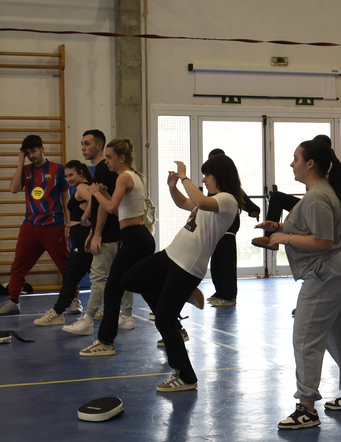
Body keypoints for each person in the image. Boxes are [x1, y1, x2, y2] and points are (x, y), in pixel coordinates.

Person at [257, 140, 341, 429]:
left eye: (296, 159)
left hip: (328, 272)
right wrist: (279, 227)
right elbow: (314, 230)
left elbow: (323, 241)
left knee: (305, 337)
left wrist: (286, 238)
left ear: (310, 164)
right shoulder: (320, 193)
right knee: (339, 334)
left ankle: (306, 408)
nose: (292, 164)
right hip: (338, 270)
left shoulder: (317, 196)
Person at [123, 155, 245, 391]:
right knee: (130, 279)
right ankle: (184, 293)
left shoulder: (227, 200)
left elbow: (199, 201)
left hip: (188, 267)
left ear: (219, 176)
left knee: (164, 320)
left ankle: (186, 377)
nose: (204, 180)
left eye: (207, 175)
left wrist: (184, 177)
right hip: (171, 254)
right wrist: (173, 187)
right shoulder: (211, 201)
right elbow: (184, 203)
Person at [76, 139, 156, 356]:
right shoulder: (134, 176)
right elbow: (119, 207)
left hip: (134, 238)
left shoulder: (123, 177)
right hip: (138, 237)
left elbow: (110, 208)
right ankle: (175, 329)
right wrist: (104, 193)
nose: (107, 161)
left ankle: (105, 341)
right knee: (143, 285)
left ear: (121, 158)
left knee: (113, 288)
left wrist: (95, 193)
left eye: (110, 157)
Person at [64, 130, 134, 334]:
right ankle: (125, 315)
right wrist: (90, 225)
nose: (83, 148)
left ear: (99, 145)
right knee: (119, 276)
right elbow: (99, 203)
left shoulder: (104, 170)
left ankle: (88, 320)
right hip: (114, 231)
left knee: (98, 277)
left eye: (87, 143)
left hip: (111, 233)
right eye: (82, 143)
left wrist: (97, 233)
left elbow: (106, 205)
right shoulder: (105, 171)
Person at [0, 134, 73, 316]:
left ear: (42, 149)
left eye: (34, 151)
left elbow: (65, 197)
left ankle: (74, 298)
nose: (32, 156)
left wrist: (69, 223)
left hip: (54, 226)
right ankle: (13, 301)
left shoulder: (58, 169)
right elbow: (13, 189)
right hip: (30, 226)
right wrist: (20, 164)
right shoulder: (26, 170)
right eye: (28, 153)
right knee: (18, 265)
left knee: (66, 265)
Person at [33, 161, 96, 326]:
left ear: (81, 173)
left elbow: (96, 200)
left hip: (82, 237)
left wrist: (85, 217)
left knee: (70, 276)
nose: (68, 179)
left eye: (71, 175)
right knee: (97, 277)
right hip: (79, 235)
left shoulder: (82, 187)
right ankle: (111, 309)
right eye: (66, 176)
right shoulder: (83, 187)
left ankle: (57, 312)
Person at [206, 148, 261, 308]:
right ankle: (220, 292)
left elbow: (243, 198)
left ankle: (229, 295)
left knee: (226, 264)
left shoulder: (229, 187)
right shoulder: (213, 186)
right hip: (216, 229)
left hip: (228, 227)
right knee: (216, 263)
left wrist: (253, 210)